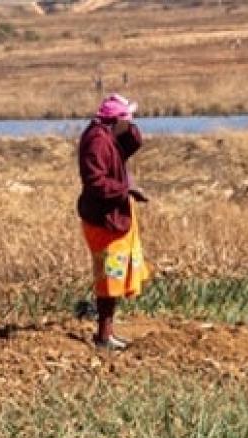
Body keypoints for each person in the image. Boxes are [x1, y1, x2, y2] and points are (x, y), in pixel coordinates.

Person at [76, 93, 150, 350]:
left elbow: (133, 142)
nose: (130, 125)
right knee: (109, 277)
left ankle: (106, 332)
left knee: (113, 276)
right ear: (115, 120)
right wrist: (125, 191)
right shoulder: (97, 142)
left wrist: (128, 126)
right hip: (103, 219)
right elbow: (95, 182)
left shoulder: (108, 135)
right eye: (127, 119)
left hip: (113, 215)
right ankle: (104, 336)